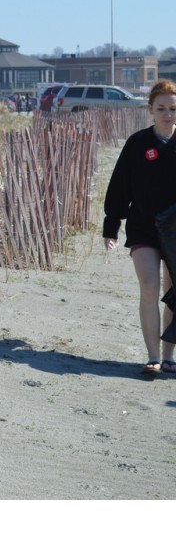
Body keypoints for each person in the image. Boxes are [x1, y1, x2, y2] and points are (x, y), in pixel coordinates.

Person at [103, 79, 176, 374]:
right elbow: (120, 186)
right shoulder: (138, 144)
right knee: (149, 286)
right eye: (161, 108)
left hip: (175, 232)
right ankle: (153, 356)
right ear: (150, 110)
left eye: (173, 109)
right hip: (143, 226)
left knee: (173, 292)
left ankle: (169, 356)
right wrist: (111, 226)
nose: (168, 114)